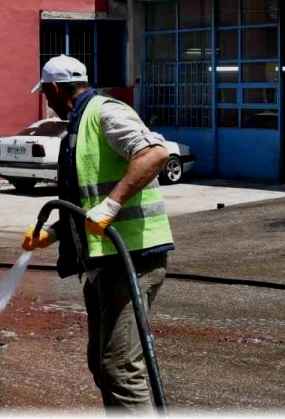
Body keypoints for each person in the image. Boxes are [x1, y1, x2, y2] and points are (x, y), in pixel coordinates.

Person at [21, 55, 173, 413]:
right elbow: (86, 201)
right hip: (103, 263)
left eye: (46, 94)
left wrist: (112, 204)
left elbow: (155, 155)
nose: (47, 101)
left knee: (119, 368)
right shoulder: (77, 127)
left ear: (55, 88)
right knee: (102, 366)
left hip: (132, 259)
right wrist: (53, 233)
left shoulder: (106, 112)